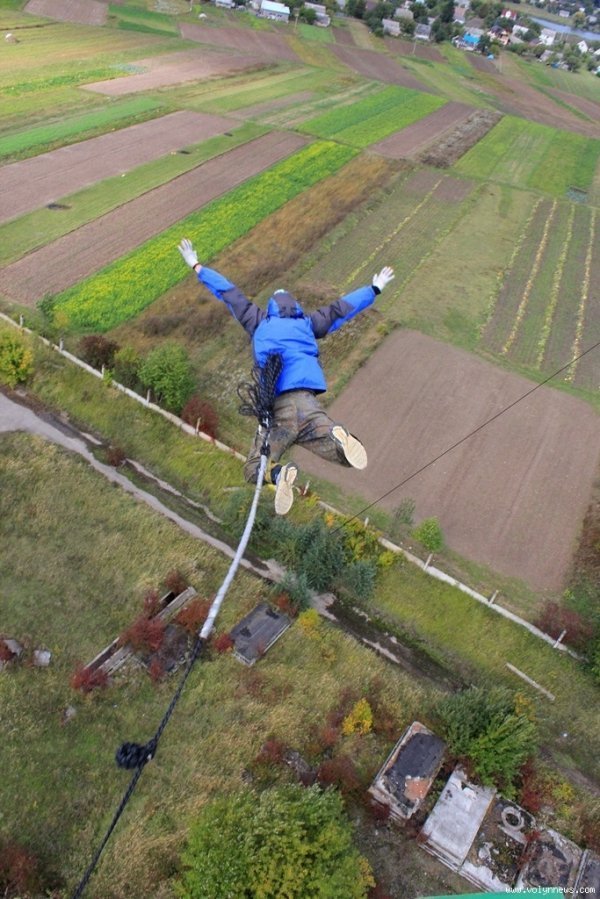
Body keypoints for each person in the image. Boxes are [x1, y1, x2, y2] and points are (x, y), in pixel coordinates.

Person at [178, 238, 395, 515]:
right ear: (295, 308)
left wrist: (197, 266)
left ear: (272, 308)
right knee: (343, 457)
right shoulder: (308, 324)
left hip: (278, 409)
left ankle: (279, 474)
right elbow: (341, 309)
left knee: (253, 468)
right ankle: (336, 435)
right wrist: (374, 288)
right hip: (307, 404)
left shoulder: (258, 321)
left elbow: (229, 293)